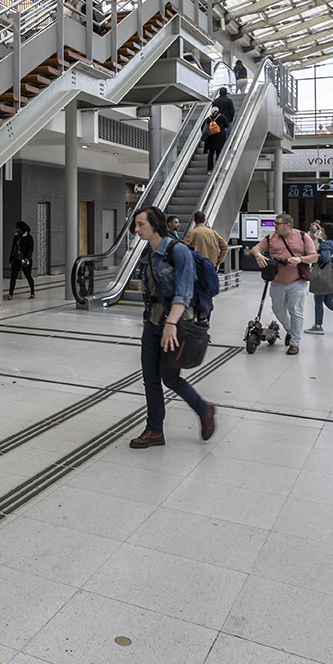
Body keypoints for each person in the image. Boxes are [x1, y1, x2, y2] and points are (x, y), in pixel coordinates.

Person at [127, 207, 215, 449]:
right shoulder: (149, 252)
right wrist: (147, 287)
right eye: (136, 225)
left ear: (154, 224)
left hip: (176, 323)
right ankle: (155, 430)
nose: (136, 229)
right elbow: (158, 284)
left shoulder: (179, 251)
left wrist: (171, 324)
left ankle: (204, 409)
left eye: (140, 224)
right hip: (153, 322)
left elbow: (184, 292)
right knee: (150, 379)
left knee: (170, 377)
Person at [249, 212, 318, 354]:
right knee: (278, 310)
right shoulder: (271, 238)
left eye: (277, 223)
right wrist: (258, 255)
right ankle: (291, 331)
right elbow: (255, 248)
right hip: (277, 281)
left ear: (287, 225)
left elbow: (314, 257)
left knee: (296, 311)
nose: (274, 226)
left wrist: (300, 259)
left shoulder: (302, 236)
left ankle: (295, 343)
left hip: (298, 281)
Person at [4, 221, 35, 301]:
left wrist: (27, 258)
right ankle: (10, 294)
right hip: (16, 259)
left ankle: (32, 292)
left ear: (22, 228)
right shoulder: (16, 237)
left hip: (25, 259)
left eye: (18, 228)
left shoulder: (29, 237)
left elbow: (30, 248)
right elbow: (13, 248)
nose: (17, 229)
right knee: (13, 277)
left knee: (28, 276)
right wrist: (10, 259)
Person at [203, 107, 227, 172]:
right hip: (219, 139)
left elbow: (203, 128)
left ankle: (209, 169)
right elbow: (227, 125)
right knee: (218, 153)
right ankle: (218, 168)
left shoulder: (208, 119)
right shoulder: (222, 117)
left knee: (210, 154)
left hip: (210, 139)